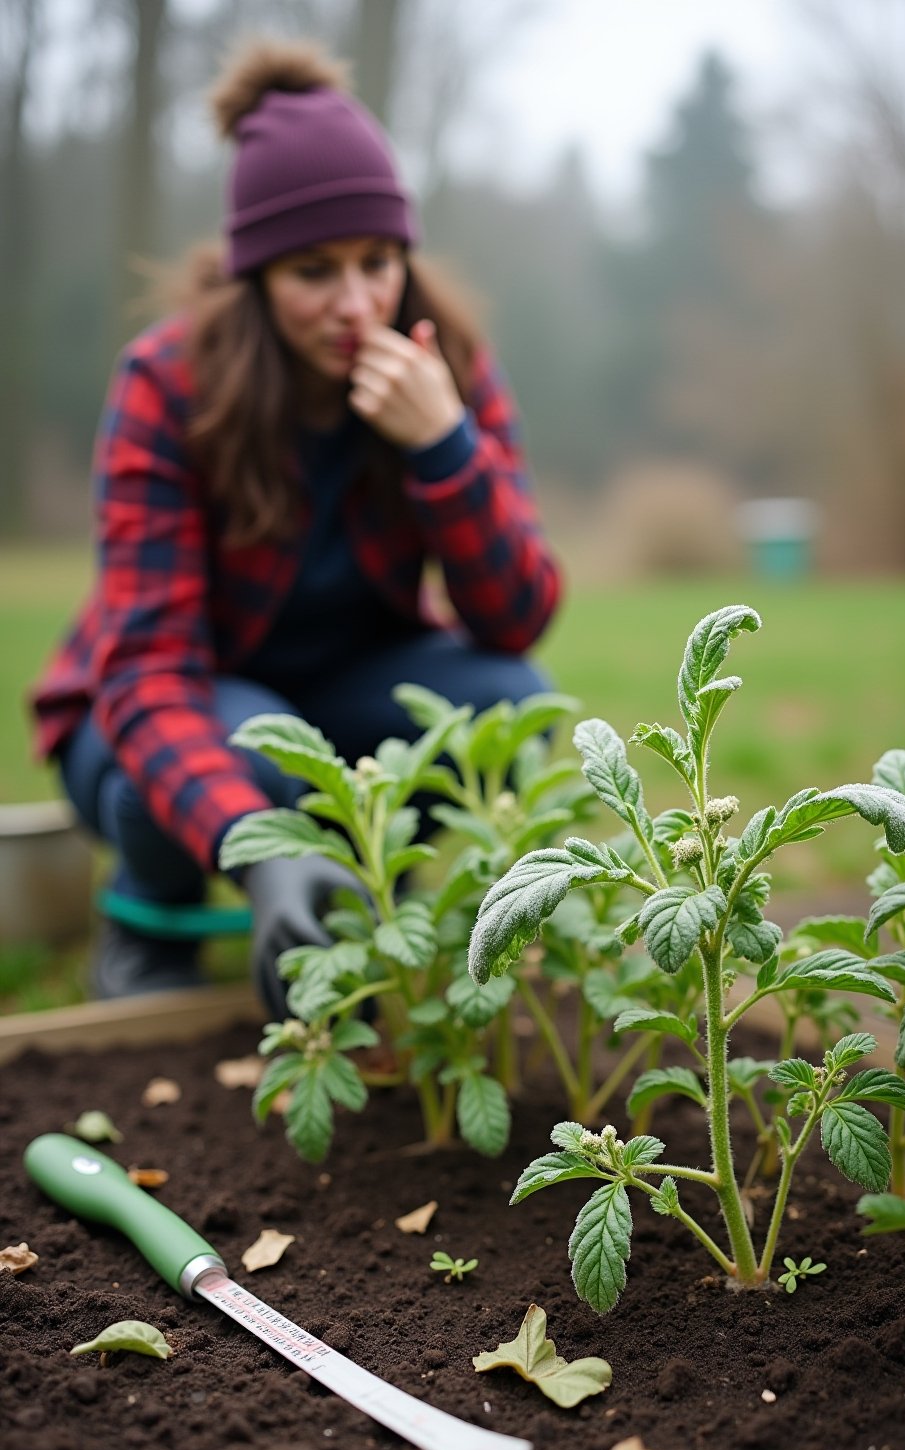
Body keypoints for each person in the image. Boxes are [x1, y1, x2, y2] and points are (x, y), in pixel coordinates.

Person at [30, 39, 562, 1016]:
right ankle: (152, 917)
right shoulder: (169, 384)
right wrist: (254, 843)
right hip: (159, 702)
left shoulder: (443, 367)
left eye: (377, 262)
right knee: (244, 755)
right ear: (256, 276)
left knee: (510, 704)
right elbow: (148, 676)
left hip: (336, 692)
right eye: (314, 272)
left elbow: (516, 616)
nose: (356, 305)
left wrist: (443, 447)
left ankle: (360, 888)